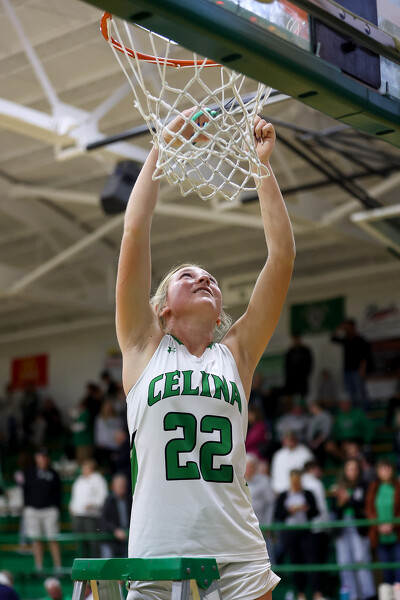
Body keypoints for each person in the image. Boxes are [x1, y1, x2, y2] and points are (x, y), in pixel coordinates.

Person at [116, 109, 295, 600]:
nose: (203, 278)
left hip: (238, 551)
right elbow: (135, 231)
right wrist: (161, 150)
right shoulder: (143, 345)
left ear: (219, 316)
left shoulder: (236, 354)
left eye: (210, 278)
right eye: (187, 276)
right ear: (163, 309)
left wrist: (262, 167)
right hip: (157, 550)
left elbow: (281, 258)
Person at [331, 458, 375, 600]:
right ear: (344, 471)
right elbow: (334, 509)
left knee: (361, 560)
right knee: (344, 562)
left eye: (355, 469)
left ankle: (368, 595)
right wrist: (340, 502)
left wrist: (348, 499)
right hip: (341, 527)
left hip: (358, 526)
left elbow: (365, 507)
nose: (352, 472)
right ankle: (351, 596)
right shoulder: (337, 487)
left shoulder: (364, 486)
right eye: (349, 469)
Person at [274, 469, 319, 600]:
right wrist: (289, 511)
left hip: (306, 532)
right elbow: (278, 514)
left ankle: (317, 592)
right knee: (296, 562)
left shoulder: (308, 494)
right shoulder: (284, 495)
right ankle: (300, 593)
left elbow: (315, 511)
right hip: (290, 533)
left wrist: (307, 508)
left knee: (311, 562)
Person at [22, 448, 62, 571]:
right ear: (36, 457)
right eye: (41, 456)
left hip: (50, 510)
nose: (43, 459)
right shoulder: (29, 472)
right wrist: (27, 505)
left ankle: (58, 567)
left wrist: (56, 507)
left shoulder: (54, 474)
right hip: (33, 510)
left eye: (45, 456)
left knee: (52, 539)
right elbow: (25, 490)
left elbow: (58, 493)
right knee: (36, 540)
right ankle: (39, 567)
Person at [366, 459, 400, 588]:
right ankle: (389, 592)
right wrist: (378, 525)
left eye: (388, 469)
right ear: (378, 472)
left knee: (398, 566)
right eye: (382, 469)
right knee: (385, 567)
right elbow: (369, 510)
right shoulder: (374, 487)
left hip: (397, 533)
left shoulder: (398, 486)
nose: (385, 472)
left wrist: (393, 524)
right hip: (379, 535)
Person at [69, 459, 108, 558]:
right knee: (80, 543)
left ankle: (95, 563)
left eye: (86, 467)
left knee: (93, 542)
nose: (84, 469)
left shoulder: (99, 479)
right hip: (78, 516)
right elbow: (74, 498)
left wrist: (92, 504)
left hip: (91, 516)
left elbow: (103, 497)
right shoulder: (79, 481)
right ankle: (81, 563)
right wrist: (71, 507)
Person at [331, 319, 373, 410]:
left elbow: (365, 356)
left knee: (360, 392)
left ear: (353, 328)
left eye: (348, 327)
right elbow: (333, 338)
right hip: (347, 370)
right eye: (345, 328)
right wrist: (339, 328)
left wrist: (362, 369)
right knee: (350, 393)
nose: (346, 329)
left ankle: (366, 410)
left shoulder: (360, 340)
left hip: (357, 370)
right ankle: (355, 411)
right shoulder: (346, 340)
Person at [100, 474, 130, 559]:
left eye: (124, 486)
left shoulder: (129, 499)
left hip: (126, 539)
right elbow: (104, 520)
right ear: (113, 486)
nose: (122, 488)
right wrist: (115, 530)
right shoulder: (108, 500)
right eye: (120, 486)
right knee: (107, 560)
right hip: (110, 540)